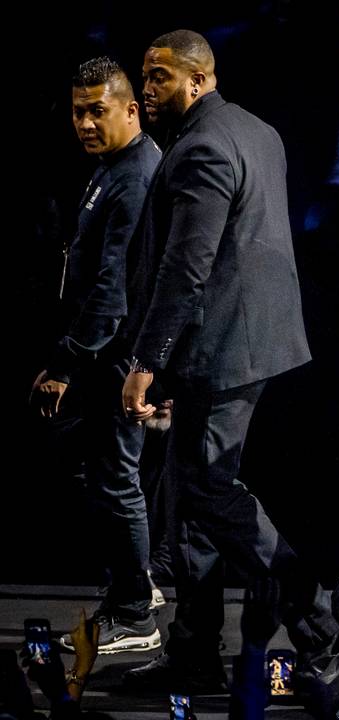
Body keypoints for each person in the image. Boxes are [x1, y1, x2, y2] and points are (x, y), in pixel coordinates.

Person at [119, 29, 336, 690]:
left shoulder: (204, 148)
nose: (147, 89)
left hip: (222, 347)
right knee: (192, 492)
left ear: (199, 77)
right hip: (249, 341)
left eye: (160, 77)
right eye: (145, 76)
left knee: (210, 491)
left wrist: (144, 361)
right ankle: (193, 652)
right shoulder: (256, 131)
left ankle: (318, 622)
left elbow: (188, 268)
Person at [31, 56, 162, 655]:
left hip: (114, 355)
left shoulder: (135, 174)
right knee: (103, 475)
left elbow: (113, 288)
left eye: (98, 111)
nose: (85, 123)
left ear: (130, 109)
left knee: (115, 480)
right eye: (79, 112)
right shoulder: (110, 166)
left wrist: (65, 364)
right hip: (104, 352)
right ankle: (136, 587)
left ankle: (136, 612)